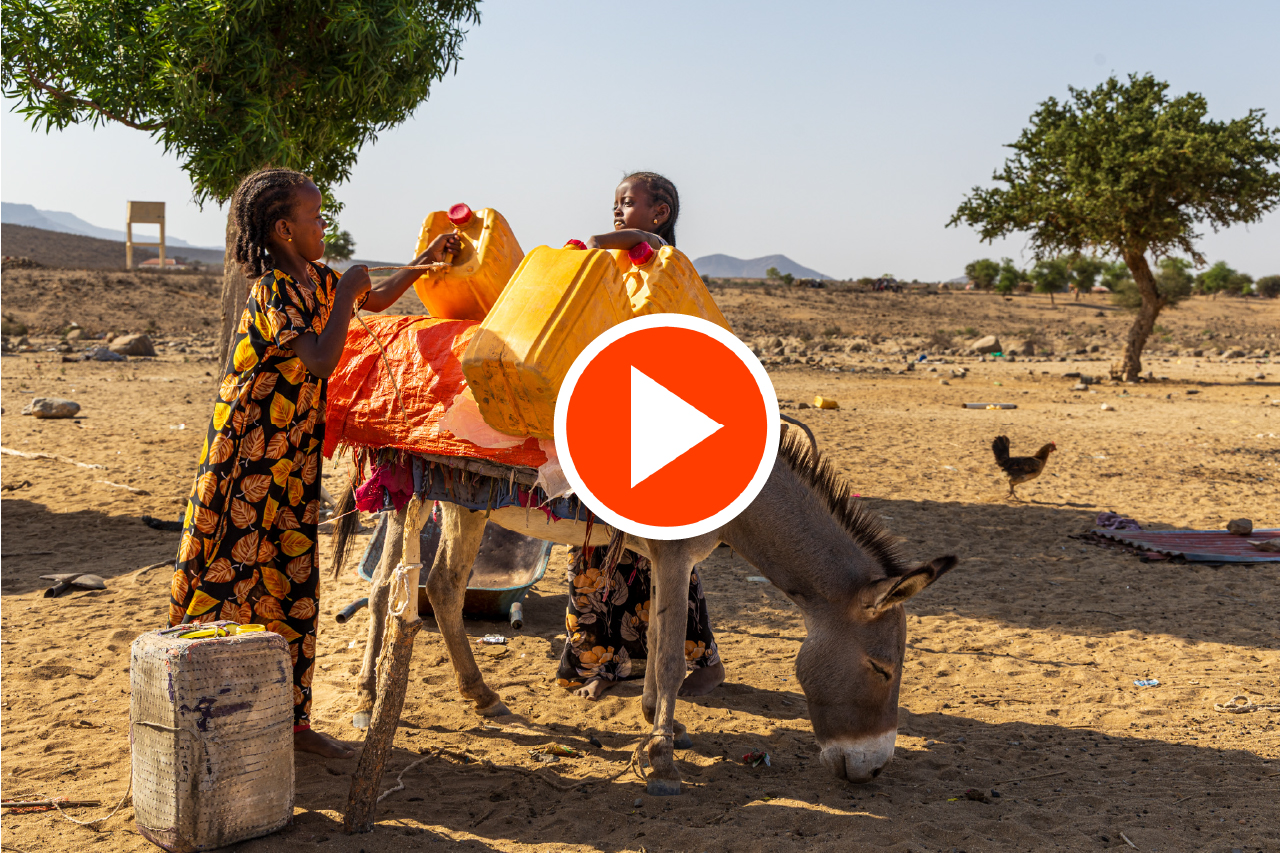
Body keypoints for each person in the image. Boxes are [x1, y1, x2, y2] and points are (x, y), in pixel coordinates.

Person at [167, 167, 460, 759]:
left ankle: (292, 722)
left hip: (293, 455)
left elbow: (375, 298)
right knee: (229, 574)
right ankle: (200, 713)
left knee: (294, 577)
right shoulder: (275, 287)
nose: (325, 224)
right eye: (315, 217)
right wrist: (349, 293)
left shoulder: (316, 278)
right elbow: (324, 359)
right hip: (247, 455)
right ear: (283, 228)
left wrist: (424, 260)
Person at [556, 171, 725, 700]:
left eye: (628, 202)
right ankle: (607, 667)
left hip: (659, 423)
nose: (618, 210)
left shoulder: (664, 260)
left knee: (662, 552)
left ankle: (698, 664)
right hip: (615, 416)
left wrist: (589, 248)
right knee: (605, 545)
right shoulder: (619, 271)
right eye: (615, 202)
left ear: (660, 214)